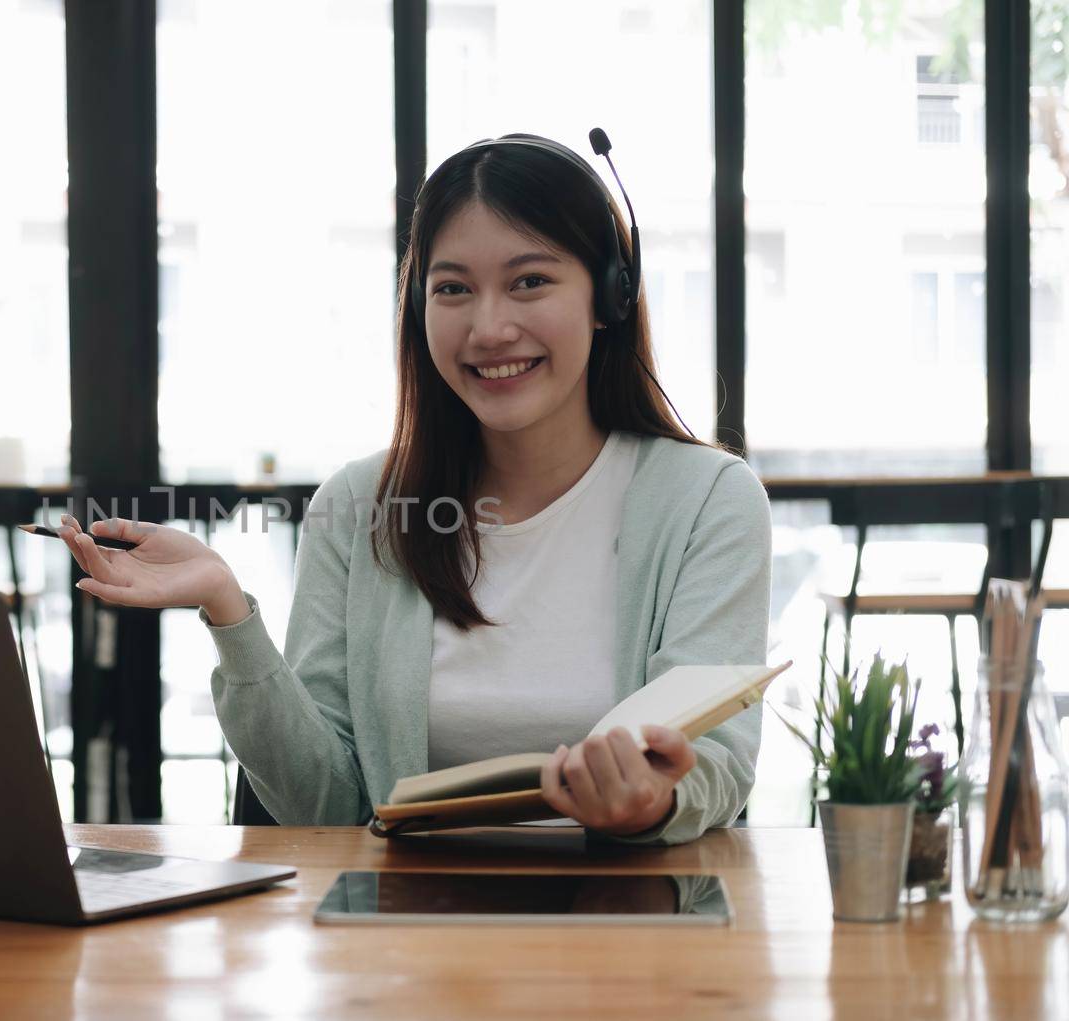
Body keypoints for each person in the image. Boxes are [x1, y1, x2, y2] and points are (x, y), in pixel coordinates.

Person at [57, 132, 771, 844]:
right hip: (405, 929)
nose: (490, 328)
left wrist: (652, 796)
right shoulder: (360, 506)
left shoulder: (708, 500)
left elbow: (716, 759)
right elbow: (324, 804)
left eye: (530, 281)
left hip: (634, 924)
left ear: (608, 297)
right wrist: (228, 611)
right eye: (453, 288)